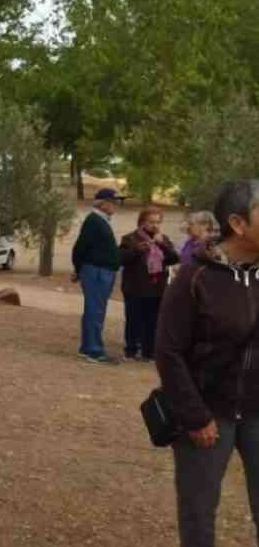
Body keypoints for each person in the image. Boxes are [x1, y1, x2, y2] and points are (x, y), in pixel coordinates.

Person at [156, 179, 259, 547]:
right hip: (207, 414)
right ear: (238, 223)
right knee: (199, 515)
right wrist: (196, 416)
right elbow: (168, 351)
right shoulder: (195, 277)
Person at [71, 187, 125, 364]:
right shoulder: (94, 221)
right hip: (96, 271)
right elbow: (80, 248)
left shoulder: (100, 220)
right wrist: (79, 269)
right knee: (95, 310)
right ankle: (93, 350)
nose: (117, 205)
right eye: (114, 202)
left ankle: (88, 347)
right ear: (104, 203)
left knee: (95, 310)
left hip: (100, 270)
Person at [118, 206, 179, 362]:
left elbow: (174, 259)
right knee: (133, 320)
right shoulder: (129, 239)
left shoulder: (163, 239)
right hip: (135, 287)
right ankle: (131, 350)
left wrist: (162, 245)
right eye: (151, 222)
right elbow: (121, 259)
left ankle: (148, 352)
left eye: (158, 222)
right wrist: (137, 250)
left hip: (156, 288)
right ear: (142, 222)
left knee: (153, 321)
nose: (155, 225)